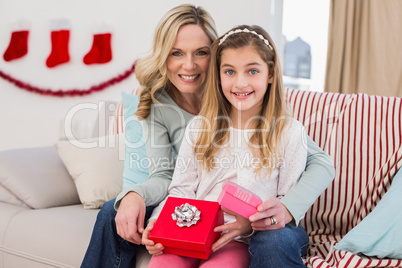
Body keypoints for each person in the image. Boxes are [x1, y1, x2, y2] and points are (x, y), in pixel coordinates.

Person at [82, 4, 335, 268]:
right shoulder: (166, 108)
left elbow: (317, 165)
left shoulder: (274, 120)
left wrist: (278, 212)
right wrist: (137, 198)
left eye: (200, 53)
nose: (189, 64)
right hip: (191, 215)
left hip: (245, 229)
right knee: (112, 212)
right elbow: (169, 179)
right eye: (176, 53)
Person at [142, 24, 309, 268]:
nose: (240, 83)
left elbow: (284, 203)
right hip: (190, 231)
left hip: (239, 238)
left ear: (270, 73)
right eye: (229, 72)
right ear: (218, 75)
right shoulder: (200, 127)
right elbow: (181, 190)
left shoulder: (290, 132)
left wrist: (249, 224)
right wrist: (158, 222)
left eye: (252, 71)